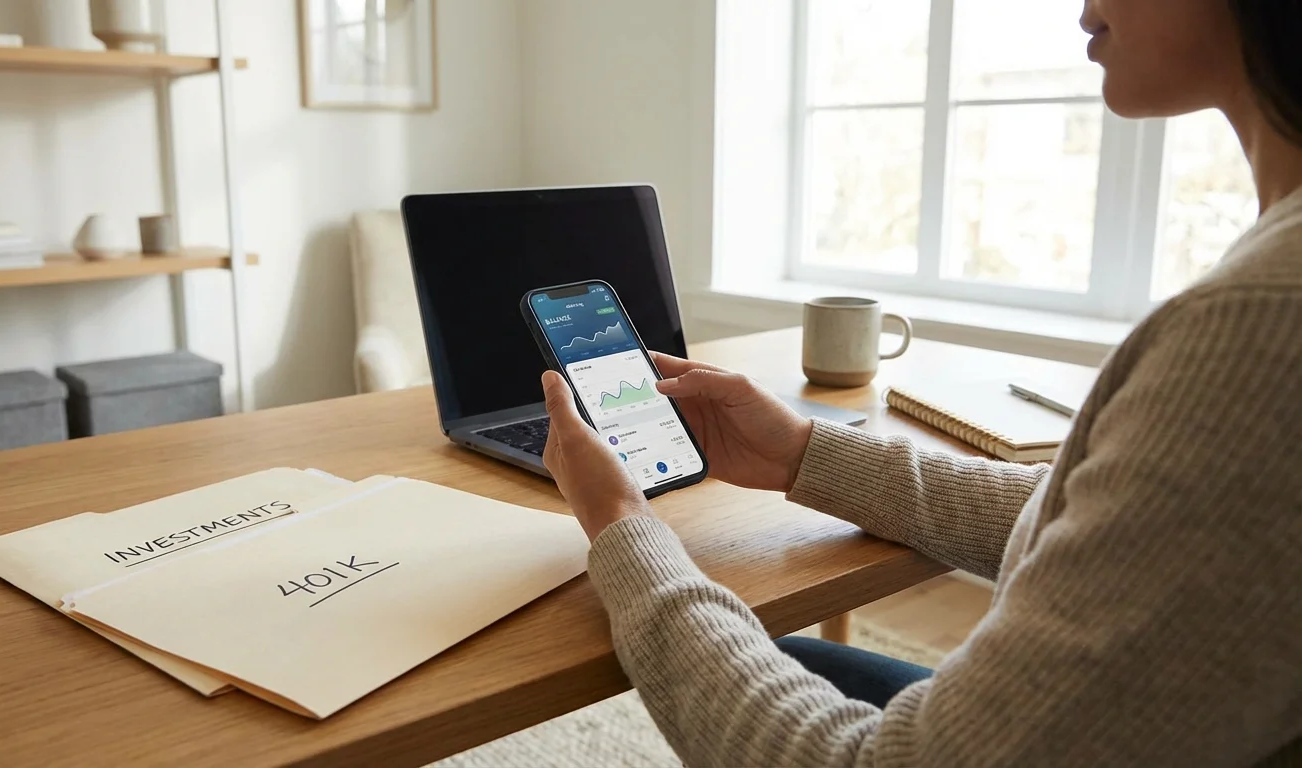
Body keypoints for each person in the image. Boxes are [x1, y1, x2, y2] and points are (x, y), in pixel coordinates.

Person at [538, 0, 1302, 765]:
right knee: (798, 656)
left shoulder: (1258, 326)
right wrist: (804, 454)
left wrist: (622, 531)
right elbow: (1103, 521)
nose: (1085, 8)